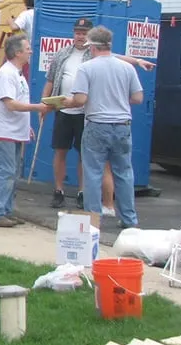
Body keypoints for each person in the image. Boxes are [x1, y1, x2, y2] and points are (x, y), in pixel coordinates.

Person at [42, 17, 155, 211]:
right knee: (120, 171)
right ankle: (126, 217)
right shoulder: (62, 54)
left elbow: (114, 58)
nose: (80, 36)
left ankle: (89, 208)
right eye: (77, 32)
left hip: (88, 115)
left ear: (91, 41)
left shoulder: (90, 62)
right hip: (85, 116)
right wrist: (44, 103)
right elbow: (51, 80)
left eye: (84, 33)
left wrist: (137, 60)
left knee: (91, 165)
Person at [61, 25, 144, 230]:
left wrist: (65, 101)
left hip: (97, 125)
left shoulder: (87, 68)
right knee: (124, 172)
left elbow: (80, 99)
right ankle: (129, 220)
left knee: (93, 173)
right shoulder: (126, 68)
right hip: (122, 125)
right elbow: (137, 97)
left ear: (92, 46)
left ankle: (93, 221)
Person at [0, 35, 49, 228]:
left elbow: (17, 102)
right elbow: (10, 104)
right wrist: (37, 108)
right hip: (4, 131)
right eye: (27, 48)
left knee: (12, 173)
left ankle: (6, 210)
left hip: (14, 131)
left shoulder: (18, 73)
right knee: (5, 172)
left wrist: (25, 125)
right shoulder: (7, 74)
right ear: (17, 52)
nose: (31, 51)